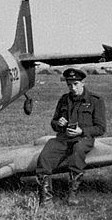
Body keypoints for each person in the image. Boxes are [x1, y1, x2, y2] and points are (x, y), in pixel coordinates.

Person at [36, 67, 106, 206]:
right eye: (69, 85)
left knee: (78, 151)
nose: (72, 88)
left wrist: (82, 131)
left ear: (83, 83)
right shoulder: (64, 99)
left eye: (76, 84)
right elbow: (53, 123)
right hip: (63, 138)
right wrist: (59, 123)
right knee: (45, 155)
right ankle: (46, 198)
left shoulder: (95, 100)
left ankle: (72, 194)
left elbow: (101, 128)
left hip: (83, 139)